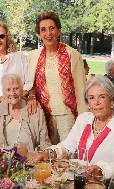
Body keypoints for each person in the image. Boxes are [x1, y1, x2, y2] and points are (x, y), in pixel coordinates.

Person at [36, 76, 114, 180]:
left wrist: (101, 170)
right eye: (91, 98)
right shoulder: (83, 119)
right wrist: (49, 153)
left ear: (112, 99)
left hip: (111, 182)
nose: (96, 103)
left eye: (102, 97)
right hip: (82, 180)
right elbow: (68, 145)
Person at [28, 11, 88, 144]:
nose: (48, 33)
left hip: (67, 114)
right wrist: (32, 97)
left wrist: (84, 118)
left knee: (67, 154)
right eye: (43, 30)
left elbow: (80, 87)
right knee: (47, 153)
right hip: (44, 115)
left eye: (52, 28)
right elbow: (30, 84)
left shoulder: (72, 54)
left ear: (59, 31)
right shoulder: (33, 57)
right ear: (39, 34)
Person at [0, 74, 51, 151]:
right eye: (8, 90)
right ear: (3, 93)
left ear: (22, 90)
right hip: (2, 160)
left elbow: (45, 143)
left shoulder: (36, 112)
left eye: (16, 88)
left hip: (30, 160)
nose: (12, 93)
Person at [0, 22, 34, 110]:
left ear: (7, 38)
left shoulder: (19, 57)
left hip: (20, 105)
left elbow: (29, 82)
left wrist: (16, 96)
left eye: (1, 36)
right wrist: (1, 99)